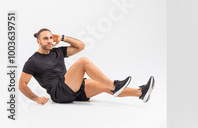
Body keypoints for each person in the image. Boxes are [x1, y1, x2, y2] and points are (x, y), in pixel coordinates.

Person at [19, 28, 155, 105]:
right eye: (45, 38)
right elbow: (22, 84)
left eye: (50, 37)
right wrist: (36, 98)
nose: (49, 41)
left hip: (71, 88)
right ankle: (115, 85)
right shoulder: (33, 61)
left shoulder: (57, 51)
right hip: (59, 93)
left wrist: (62, 37)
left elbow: (81, 46)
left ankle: (140, 93)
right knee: (83, 61)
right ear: (38, 41)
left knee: (103, 85)